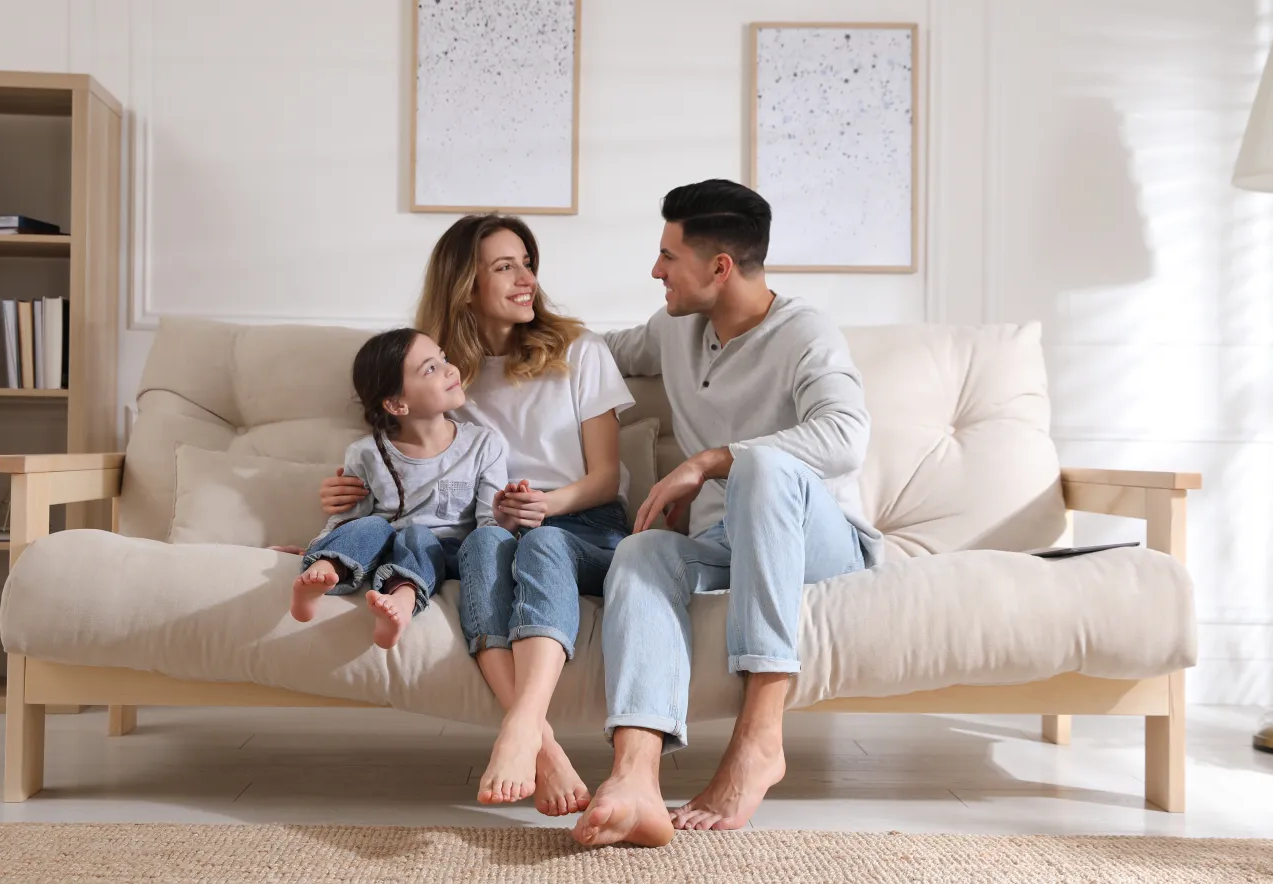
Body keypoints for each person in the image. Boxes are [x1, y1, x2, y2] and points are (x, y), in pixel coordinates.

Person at [572, 180, 886, 847]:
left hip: (821, 545)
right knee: (641, 551)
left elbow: (844, 435)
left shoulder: (806, 333)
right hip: (725, 543)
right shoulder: (673, 330)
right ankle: (635, 776)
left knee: (764, 467)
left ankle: (759, 737)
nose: (655, 271)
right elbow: (591, 353)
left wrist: (714, 459)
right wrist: (492, 334)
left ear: (719, 267)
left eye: (668, 256)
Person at [319, 214, 634, 817]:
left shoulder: (581, 352)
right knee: (485, 547)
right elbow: (399, 455)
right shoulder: (441, 375)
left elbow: (606, 477)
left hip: (583, 523)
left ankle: (521, 730)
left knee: (538, 545)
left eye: (528, 263)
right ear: (466, 284)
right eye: (505, 266)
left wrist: (547, 505)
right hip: (491, 528)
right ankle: (545, 750)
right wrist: (346, 495)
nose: (527, 280)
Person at [287, 328, 507, 652]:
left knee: (417, 536)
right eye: (430, 368)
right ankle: (321, 573)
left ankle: (402, 604)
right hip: (386, 547)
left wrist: (511, 522)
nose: (450, 369)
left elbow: (490, 524)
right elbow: (348, 519)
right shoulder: (366, 454)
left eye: (444, 359)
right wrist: (317, 546)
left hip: (449, 552)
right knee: (373, 525)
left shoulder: (484, 445)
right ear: (396, 403)